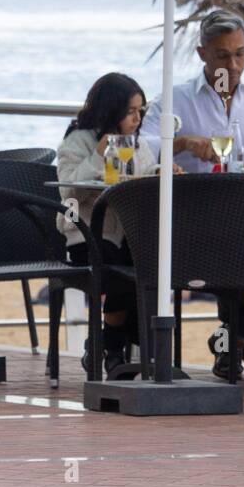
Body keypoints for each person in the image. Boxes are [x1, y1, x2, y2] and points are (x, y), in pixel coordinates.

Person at [140, 9, 244, 379]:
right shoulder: (176, 99)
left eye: (240, 53)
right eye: (222, 56)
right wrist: (180, 143)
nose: (233, 65)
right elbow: (138, 148)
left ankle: (238, 338)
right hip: (196, 224)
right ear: (202, 55)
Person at [58, 73, 159, 376]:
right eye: (131, 111)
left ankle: (105, 344)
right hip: (87, 235)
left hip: (127, 233)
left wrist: (162, 171)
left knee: (146, 265)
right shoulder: (78, 140)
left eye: (141, 110)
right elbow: (68, 190)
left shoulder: (136, 144)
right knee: (121, 274)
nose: (137, 118)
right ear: (111, 109)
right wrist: (99, 154)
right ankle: (114, 348)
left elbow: (145, 170)